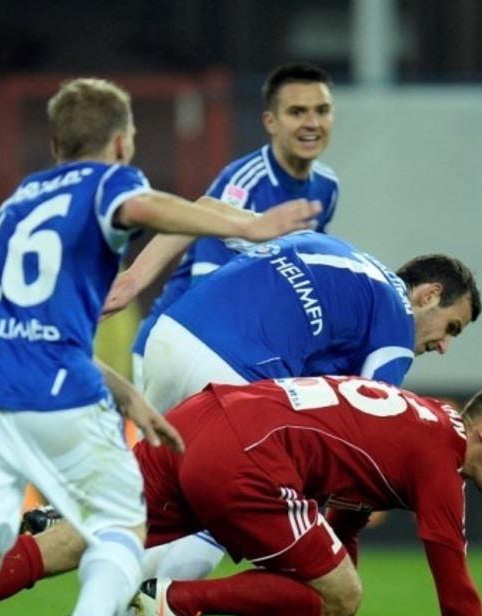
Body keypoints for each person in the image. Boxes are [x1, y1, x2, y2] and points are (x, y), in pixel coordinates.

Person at [0, 76, 320, 616]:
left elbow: (29, 327)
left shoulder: (11, 210)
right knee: (121, 524)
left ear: (55, 144)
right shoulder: (107, 182)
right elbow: (145, 208)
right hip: (55, 390)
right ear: (121, 142)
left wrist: (128, 398)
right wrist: (249, 224)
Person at [132, 375, 482, 616]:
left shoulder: (422, 421)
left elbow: (344, 530)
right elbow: (455, 592)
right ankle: (177, 601)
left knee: (102, 534)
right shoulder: (441, 459)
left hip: (205, 414)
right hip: (248, 452)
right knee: (344, 593)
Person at [127, 62, 338, 390]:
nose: (312, 123)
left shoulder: (326, 186)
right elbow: (207, 289)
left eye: (322, 111)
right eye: (297, 112)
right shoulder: (243, 184)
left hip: (238, 351)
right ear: (270, 122)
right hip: (183, 346)